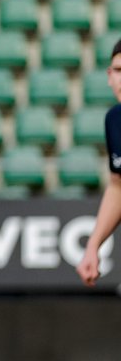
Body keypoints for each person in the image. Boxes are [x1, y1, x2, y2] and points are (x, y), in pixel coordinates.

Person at [77, 38, 121, 287]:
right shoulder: (115, 120)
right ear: (109, 76)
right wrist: (93, 245)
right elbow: (118, 184)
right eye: (118, 71)